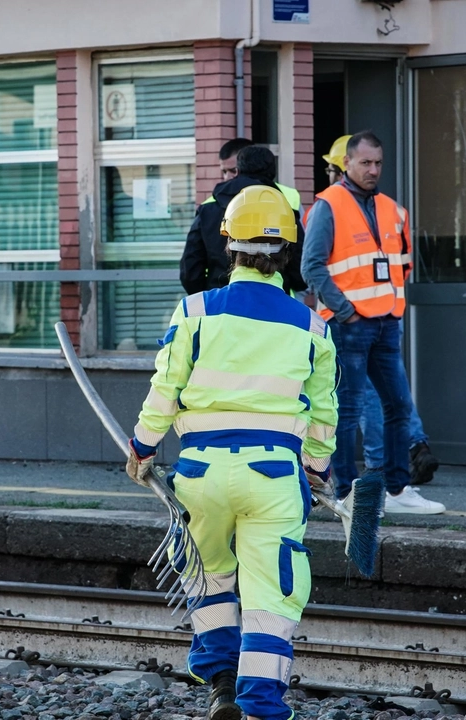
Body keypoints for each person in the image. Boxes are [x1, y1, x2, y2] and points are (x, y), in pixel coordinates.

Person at [128, 186, 337, 720]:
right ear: (286, 253)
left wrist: (142, 446)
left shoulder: (195, 310)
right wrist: (315, 471)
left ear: (229, 246)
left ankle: (221, 679)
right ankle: (262, 704)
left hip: (202, 472)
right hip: (274, 476)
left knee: (207, 572)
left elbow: (165, 388)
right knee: (273, 593)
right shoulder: (312, 326)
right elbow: (323, 416)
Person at [301, 131, 445, 515]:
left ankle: (398, 490)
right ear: (346, 163)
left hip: (385, 322)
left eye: (378, 163)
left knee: (397, 405)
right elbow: (310, 265)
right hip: (349, 324)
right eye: (365, 163)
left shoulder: (392, 210)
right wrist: (344, 308)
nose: (373, 170)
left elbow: (402, 263)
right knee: (347, 411)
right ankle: (347, 493)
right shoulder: (328, 205)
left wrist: (392, 307)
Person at [181, 145, 307, 294]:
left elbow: (191, 270)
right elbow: (299, 268)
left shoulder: (208, 210)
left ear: (238, 171)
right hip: (272, 302)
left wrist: (210, 297)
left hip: (220, 305)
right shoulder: (283, 212)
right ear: (272, 174)